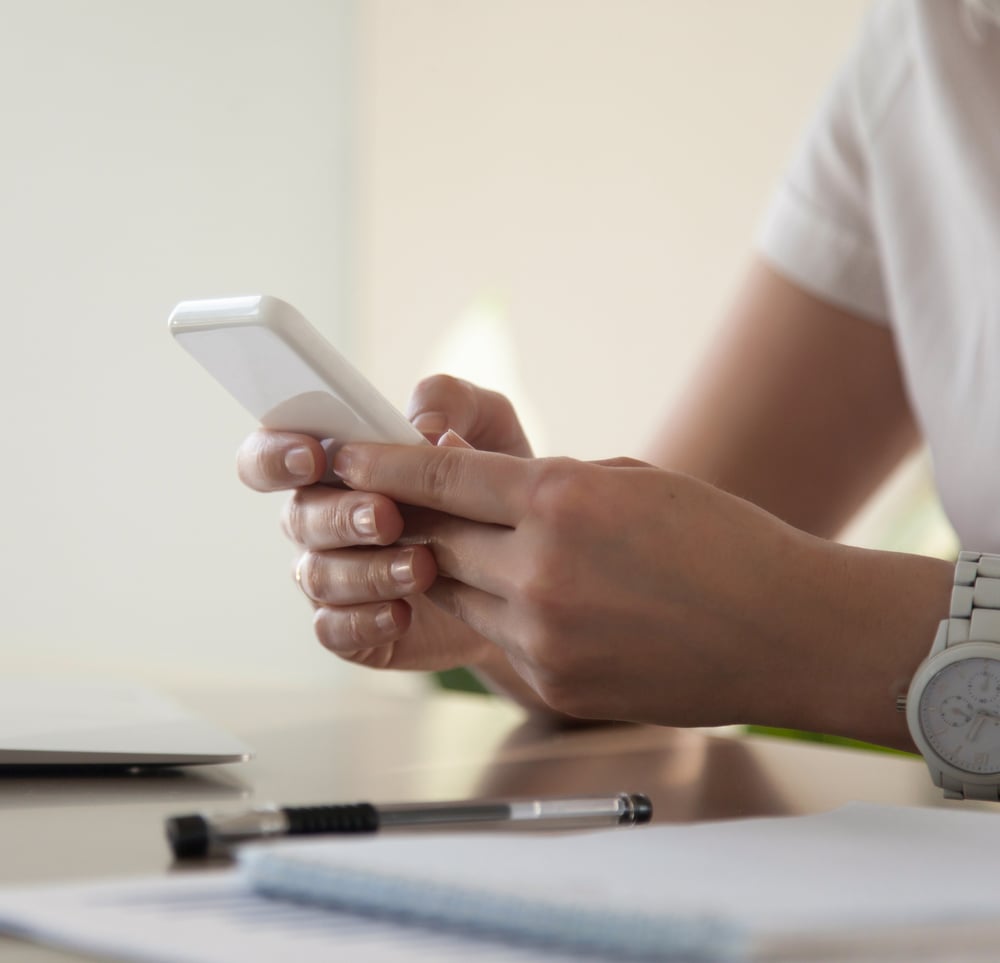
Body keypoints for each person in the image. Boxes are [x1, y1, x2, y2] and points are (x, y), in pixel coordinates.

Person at [236, 0, 1000, 753]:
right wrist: (496, 597)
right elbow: (673, 617)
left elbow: (744, 612)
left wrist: (807, 631)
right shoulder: (924, 49)